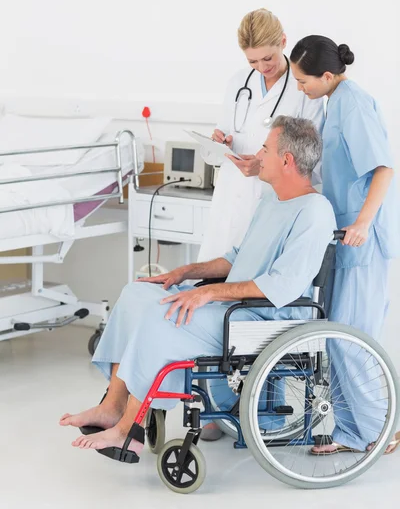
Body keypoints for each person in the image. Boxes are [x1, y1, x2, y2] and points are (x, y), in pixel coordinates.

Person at [60, 116, 336, 458]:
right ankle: (112, 406)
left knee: (161, 317)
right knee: (136, 295)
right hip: (230, 311)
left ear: (286, 160)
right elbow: (236, 258)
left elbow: (282, 285)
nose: (259, 155)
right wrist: (184, 273)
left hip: (261, 321)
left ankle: (128, 429)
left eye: (265, 148)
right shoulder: (271, 200)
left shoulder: (314, 211)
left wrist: (208, 292)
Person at [290, 35, 400, 455]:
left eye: (303, 82)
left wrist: (362, 222)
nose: (301, 88)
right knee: (337, 334)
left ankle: (380, 430)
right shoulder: (332, 102)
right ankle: (355, 432)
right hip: (343, 234)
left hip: (361, 238)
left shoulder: (352, 102)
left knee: (350, 336)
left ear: (328, 75)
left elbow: (384, 169)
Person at [197, 8, 325, 263]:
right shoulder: (238, 82)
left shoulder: (303, 87)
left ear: (283, 42)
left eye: (268, 58)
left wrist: (265, 165)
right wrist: (220, 143)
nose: (262, 67)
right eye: (253, 62)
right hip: (230, 197)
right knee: (209, 279)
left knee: (252, 282)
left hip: (273, 200)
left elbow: (312, 157)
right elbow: (216, 151)